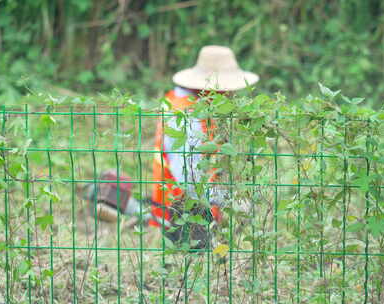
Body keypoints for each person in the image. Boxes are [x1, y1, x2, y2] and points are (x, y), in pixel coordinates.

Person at [84, 45, 259, 247]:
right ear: (213, 87)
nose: (231, 95)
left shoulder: (190, 103)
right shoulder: (185, 117)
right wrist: (229, 200)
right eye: (227, 90)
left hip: (183, 209)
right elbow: (190, 182)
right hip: (181, 219)